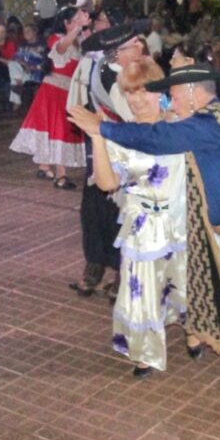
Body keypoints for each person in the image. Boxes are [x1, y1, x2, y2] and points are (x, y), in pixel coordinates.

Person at [71, 64, 220, 417]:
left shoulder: (205, 125)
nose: (172, 103)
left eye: (175, 96)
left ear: (192, 94)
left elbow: (156, 139)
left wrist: (101, 128)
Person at [76, 59, 188, 377]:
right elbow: (108, 183)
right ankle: (146, 351)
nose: (138, 99)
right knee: (142, 290)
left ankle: (194, 331)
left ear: (159, 91)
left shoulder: (179, 122)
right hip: (143, 226)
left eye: (145, 91)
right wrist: (98, 137)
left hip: (181, 221)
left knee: (182, 281)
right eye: (130, 93)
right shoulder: (121, 134)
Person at [67, 21, 144, 298]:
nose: (141, 47)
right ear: (118, 53)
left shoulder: (122, 73)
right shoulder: (110, 77)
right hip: (112, 157)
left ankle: (111, 270)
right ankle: (105, 267)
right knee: (104, 213)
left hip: (113, 157)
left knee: (108, 214)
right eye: (135, 44)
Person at [10, 6, 89, 188]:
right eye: (75, 19)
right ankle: (60, 176)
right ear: (66, 23)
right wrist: (79, 28)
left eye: (80, 19)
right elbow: (61, 49)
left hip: (67, 91)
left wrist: (83, 29)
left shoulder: (78, 38)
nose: (79, 22)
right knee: (58, 130)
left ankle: (44, 165)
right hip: (54, 90)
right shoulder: (57, 38)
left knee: (53, 128)